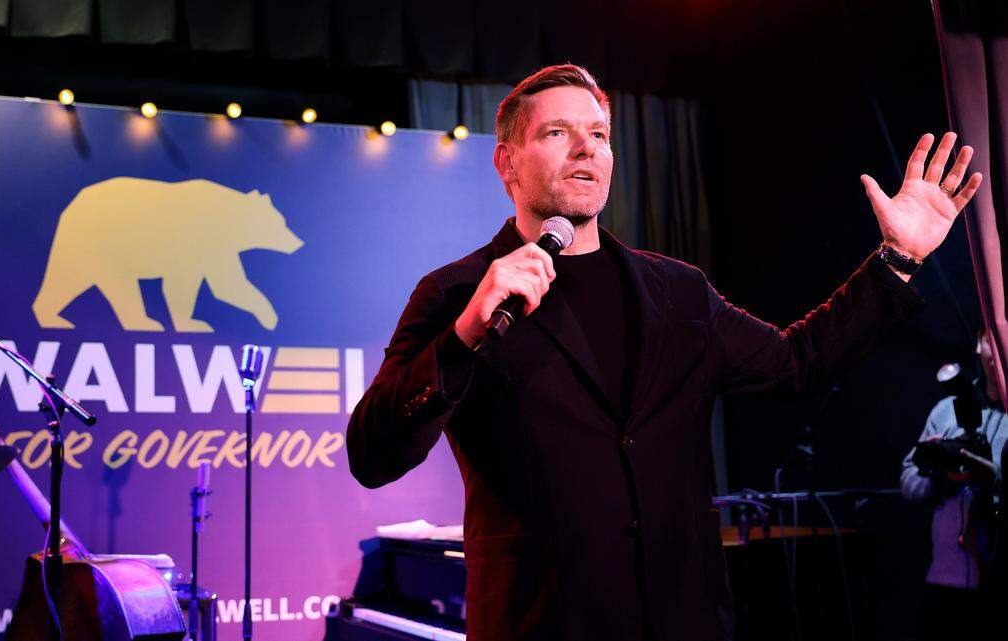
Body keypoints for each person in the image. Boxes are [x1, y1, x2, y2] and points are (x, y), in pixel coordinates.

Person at [346, 64, 983, 641]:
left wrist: (898, 261)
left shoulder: (677, 290)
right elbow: (373, 454)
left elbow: (799, 364)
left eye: (598, 133)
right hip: (542, 625)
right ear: (507, 163)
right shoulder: (456, 293)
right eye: (557, 133)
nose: (585, 147)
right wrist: (465, 336)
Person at [901, 330, 1006, 637]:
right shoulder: (946, 410)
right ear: (979, 344)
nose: (1000, 346)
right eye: (993, 337)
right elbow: (908, 481)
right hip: (944, 581)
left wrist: (990, 479)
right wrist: (939, 475)